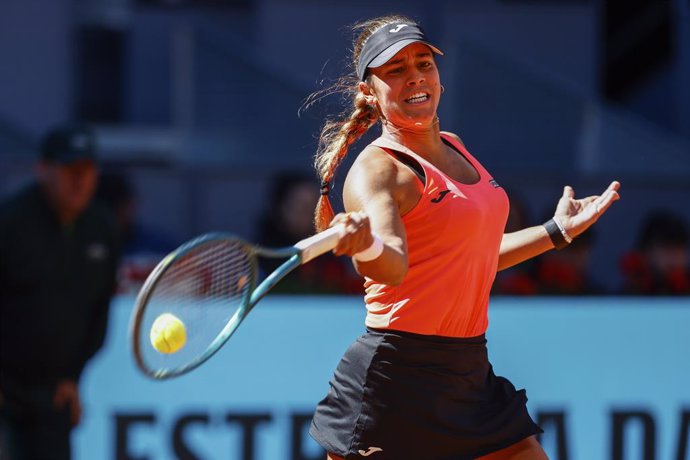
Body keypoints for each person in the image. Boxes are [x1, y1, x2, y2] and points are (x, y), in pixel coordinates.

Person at [305, 15, 621, 460]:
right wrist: (367, 246)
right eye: (395, 70)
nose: (415, 75)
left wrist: (555, 232)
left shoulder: (454, 145)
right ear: (368, 92)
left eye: (423, 63)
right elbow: (392, 265)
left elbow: (470, 258)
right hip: (395, 382)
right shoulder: (378, 172)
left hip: (468, 373)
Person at [0, 125, 120, 460]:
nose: (80, 181)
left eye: (87, 170)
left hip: (55, 393)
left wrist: (73, 375)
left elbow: (99, 310)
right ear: (44, 170)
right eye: (70, 170)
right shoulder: (9, 223)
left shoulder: (103, 228)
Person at [256, 172, 363, 294]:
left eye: (314, 208)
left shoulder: (332, 264)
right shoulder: (257, 265)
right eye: (301, 207)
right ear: (279, 208)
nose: (309, 215)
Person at [620, 210, 689, 295]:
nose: (674, 256)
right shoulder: (628, 296)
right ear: (647, 251)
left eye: (679, 249)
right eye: (667, 248)